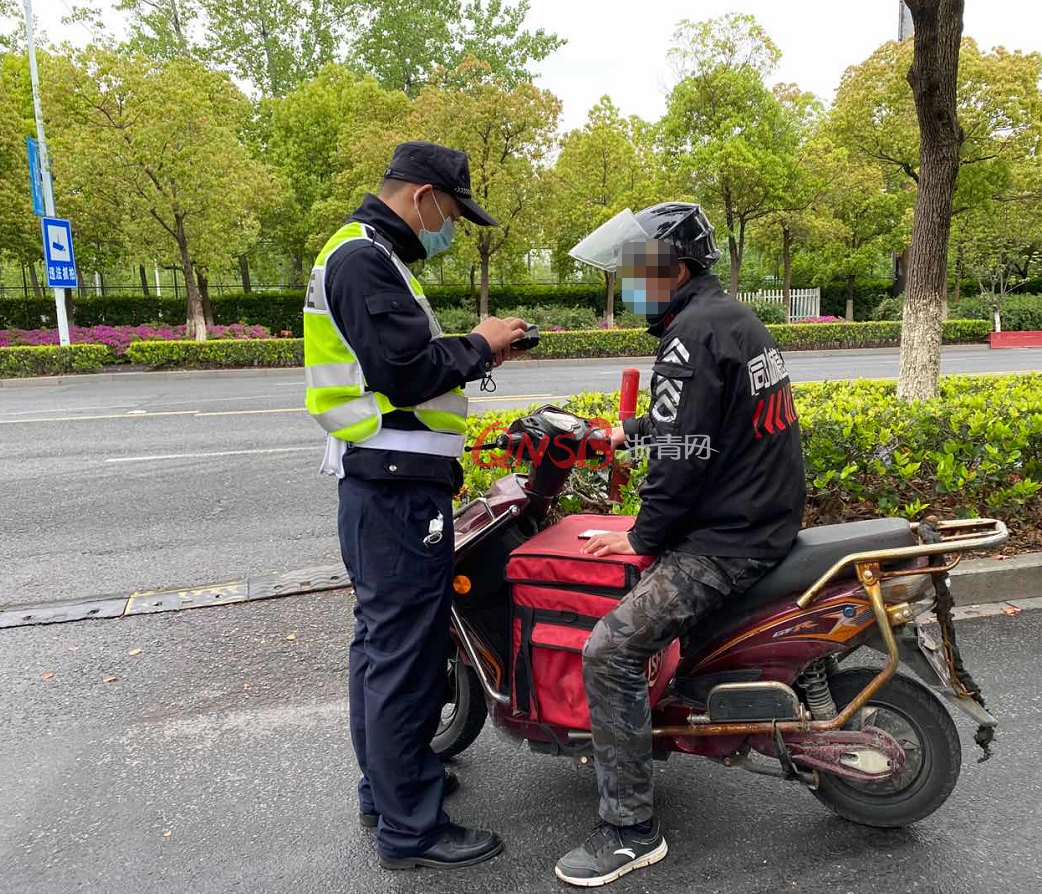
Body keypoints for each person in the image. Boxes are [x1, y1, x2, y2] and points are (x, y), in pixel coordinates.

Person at [554, 204, 807, 887]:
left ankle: (630, 830)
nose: (630, 285)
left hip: (727, 539)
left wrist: (639, 539)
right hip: (760, 517)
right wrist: (624, 431)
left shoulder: (688, 336)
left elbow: (678, 465)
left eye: (639, 272)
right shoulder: (730, 318)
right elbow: (698, 424)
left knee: (608, 650)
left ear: (675, 268)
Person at [303, 141, 528, 871]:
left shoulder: (368, 254)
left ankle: (391, 789)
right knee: (404, 656)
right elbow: (405, 371)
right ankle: (413, 829)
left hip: (385, 485)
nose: (452, 227)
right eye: (453, 212)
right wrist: (484, 345)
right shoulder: (364, 258)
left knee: (380, 649)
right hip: (395, 490)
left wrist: (479, 351)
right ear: (423, 196)